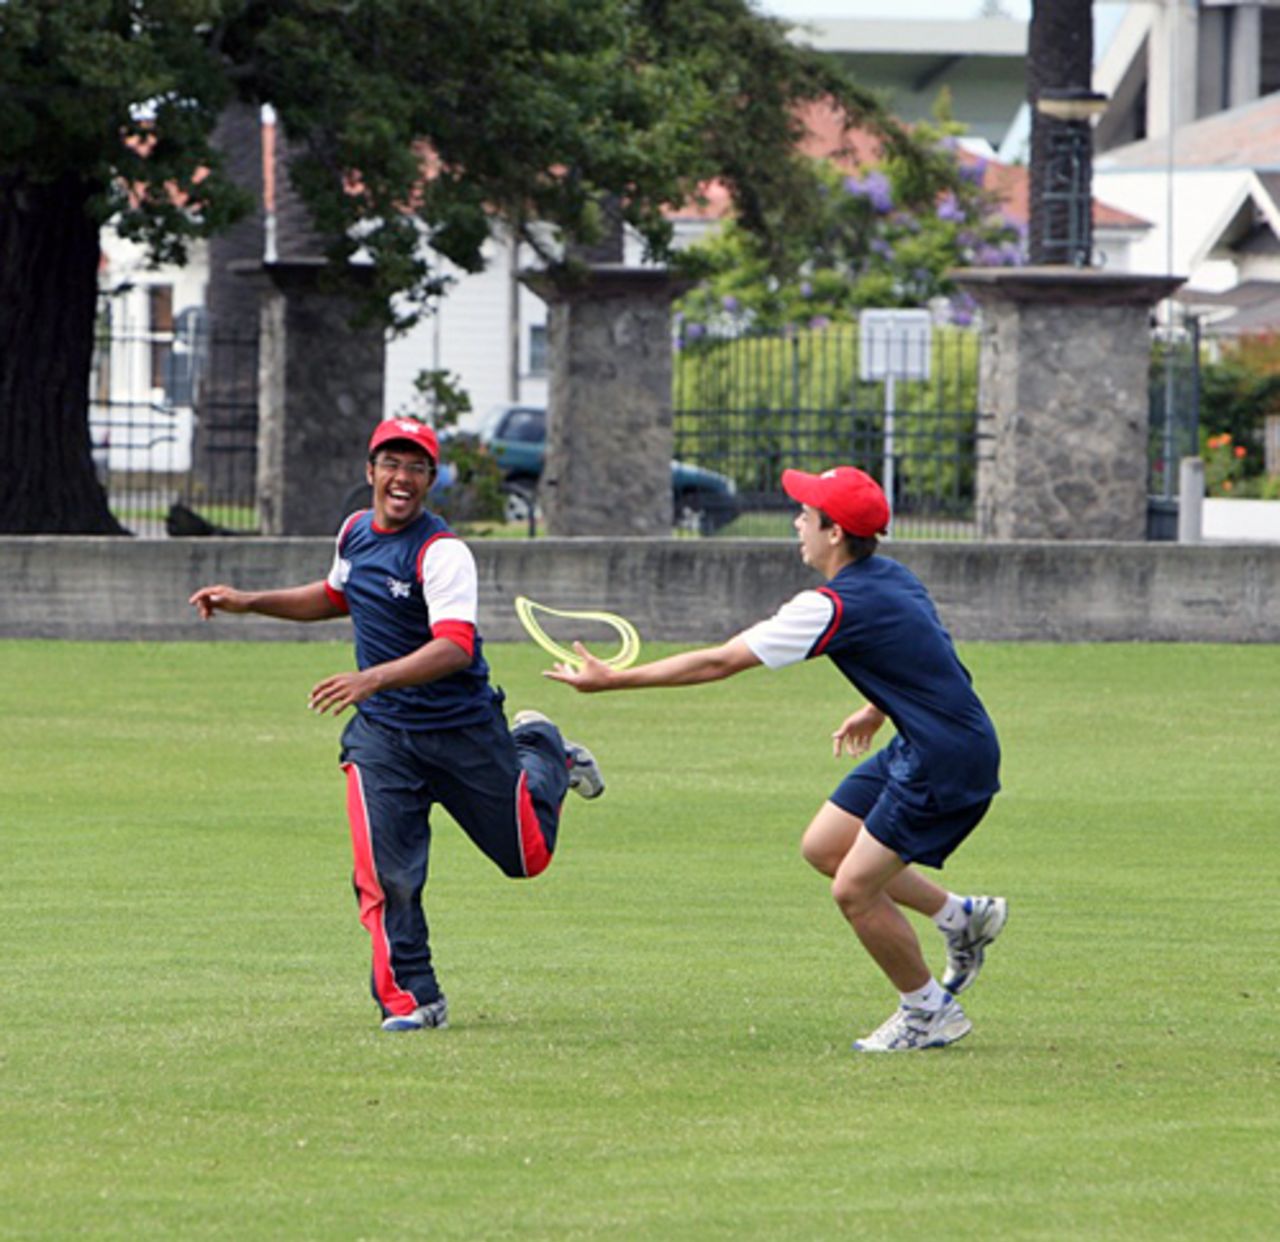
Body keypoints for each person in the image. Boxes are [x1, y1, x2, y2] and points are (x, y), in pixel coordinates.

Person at [547, 465, 1006, 1053]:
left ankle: (926, 1011)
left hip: (945, 761)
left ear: (834, 532)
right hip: (929, 740)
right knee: (824, 847)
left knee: (854, 890)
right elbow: (931, 658)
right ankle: (959, 918)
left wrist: (614, 681)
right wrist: (876, 707)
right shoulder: (891, 576)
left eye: (807, 515)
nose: (797, 522)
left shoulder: (829, 606)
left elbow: (721, 662)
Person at [189, 418, 604, 1032]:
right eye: (391, 463)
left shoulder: (443, 553)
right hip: (382, 737)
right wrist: (249, 601)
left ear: (431, 480)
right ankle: (413, 998)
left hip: (461, 730)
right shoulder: (356, 531)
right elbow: (336, 595)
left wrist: (371, 678)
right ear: (370, 471)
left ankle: (543, 748)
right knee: (388, 875)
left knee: (527, 858)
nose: (401, 477)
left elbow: (456, 647)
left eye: (415, 467)